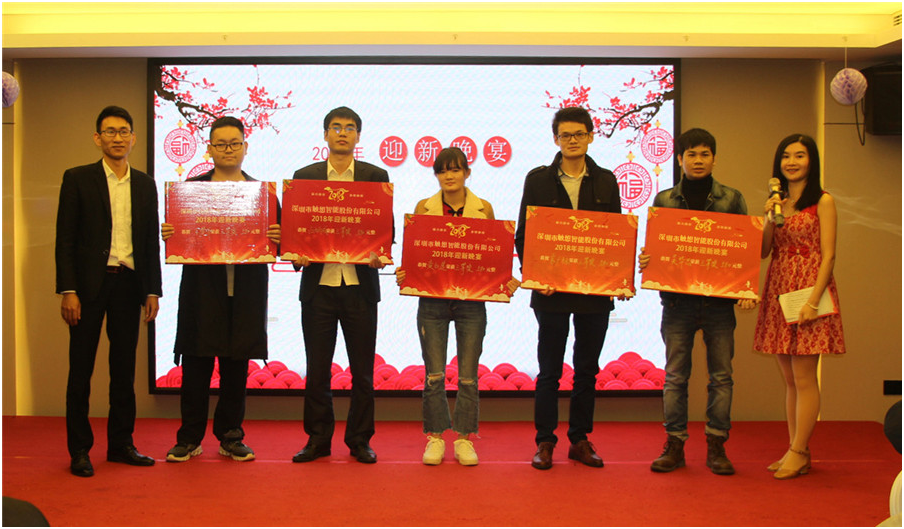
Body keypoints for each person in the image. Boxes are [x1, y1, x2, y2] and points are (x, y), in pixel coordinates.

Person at [161, 116, 281, 463]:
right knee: (196, 365)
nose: (228, 150)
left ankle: (231, 436)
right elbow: (181, 240)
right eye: (221, 144)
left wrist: (278, 237)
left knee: (236, 368)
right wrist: (172, 234)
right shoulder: (191, 191)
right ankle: (189, 438)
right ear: (210, 149)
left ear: (245, 147)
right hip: (203, 291)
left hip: (245, 293)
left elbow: (282, 244)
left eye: (234, 143)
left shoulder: (264, 194)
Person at [637, 128, 753, 476]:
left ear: (714, 159)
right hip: (677, 303)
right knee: (675, 377)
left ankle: (717, 445)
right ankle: (674, 444)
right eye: (691, 155)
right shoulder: (664, 200)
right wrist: (648, 260)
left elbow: (743, 250)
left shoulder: (732, 199)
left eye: (704, 154)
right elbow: (657, 249)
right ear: (679, 159)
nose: (698, 161)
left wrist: (744, 287)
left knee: (722, 378)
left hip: (719, 304)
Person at [55, 105, 162, 477]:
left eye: (123, 132)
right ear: (97, 138)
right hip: (87, 288)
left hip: (128, 284)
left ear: (133, 138)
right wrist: (68, 290)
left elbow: (149, 243)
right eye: (110, 132)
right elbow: (65, 240)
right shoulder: (78, 178)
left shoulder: (145, 184)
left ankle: (120, 445)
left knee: (123, 370)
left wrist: (152, 291)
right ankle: (79, 450)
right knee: (80, 371)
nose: (118, 138)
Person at [395, 147, 520, 466]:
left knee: (468, 376)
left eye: (455, 169)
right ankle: (435, 436)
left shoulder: (484, 208)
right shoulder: (423, 208)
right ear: (436, 175)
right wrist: (406, 272)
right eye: (442, 170)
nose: (449, 176)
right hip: (432, 301)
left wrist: (505, 278)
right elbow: (417, 253)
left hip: (471, 303)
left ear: (467, 172)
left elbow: (492, 255)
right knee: (434, 374)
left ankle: (464, 438)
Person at [514, 107, 622, 470]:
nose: (572, 140)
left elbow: (616, 236)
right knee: (549, 371)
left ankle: (580, 439)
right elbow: (524, 236)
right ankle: (545, 441)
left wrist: (618, 278)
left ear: (590, 136)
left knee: (587, 370)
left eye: (579, 134)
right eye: (565, 135)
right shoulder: (538, 180)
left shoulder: (606, 180)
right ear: (555, 139)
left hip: (594, 292)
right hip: (551, 292)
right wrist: (535, 275)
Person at [290, 106, 389, 464]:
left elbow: (385, 228)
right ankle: (318, 439)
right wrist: (297, 253)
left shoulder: (375, 176)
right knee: (317, 370)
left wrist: (380, 252)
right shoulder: (305, 177)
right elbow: (297, 229)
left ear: (358, 136)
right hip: (319, 287)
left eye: (349, 128)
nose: (342, 133)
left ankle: (360, 440)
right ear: (325, 135)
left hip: (359, 288)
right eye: (336, 127)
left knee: (362, 372)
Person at [753, 134, 845, 479]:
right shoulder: (778, 203)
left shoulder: (823, 201)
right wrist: (766, 217)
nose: (791, 162)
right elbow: (764, 251)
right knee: (790, 380)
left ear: (811, 161)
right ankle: (796, 448)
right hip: (779, 289)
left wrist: (812, 301)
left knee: (805, 378)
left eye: (799, 156)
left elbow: (829, 256)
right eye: (786, 156)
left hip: (808, 290)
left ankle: (799, 450)